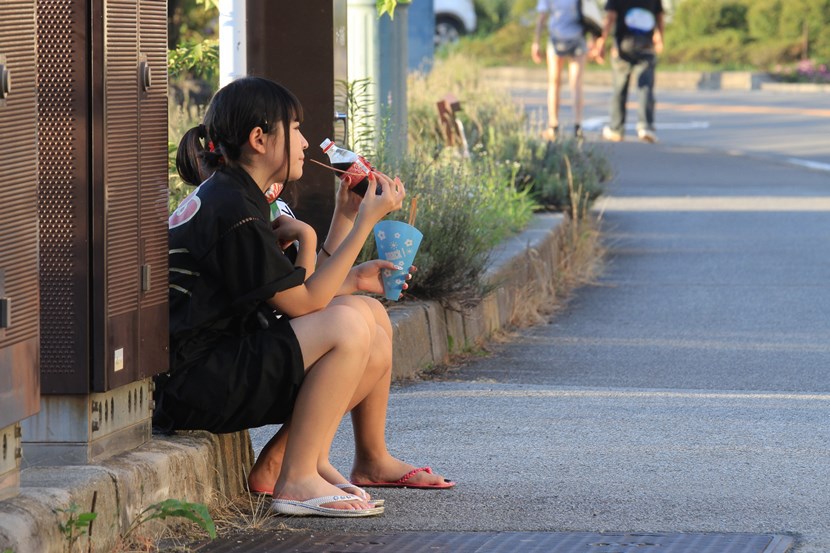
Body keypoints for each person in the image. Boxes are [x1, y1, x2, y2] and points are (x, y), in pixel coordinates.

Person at [154, 76, 453, 518]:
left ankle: (316, 462)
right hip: (195, 382)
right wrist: (362, 223)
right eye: (294, 128)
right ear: (259, 139)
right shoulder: (233, 208)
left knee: (368, 312)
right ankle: (295, 478)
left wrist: (345, 214)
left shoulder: (235, 195)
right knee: (347, 324)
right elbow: (307, 304)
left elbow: (301, 290)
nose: (304, 140)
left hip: (210, 367)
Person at [590, 0, 664, 143]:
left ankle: (616, 128)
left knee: (620, 88)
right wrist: (660, 37)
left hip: (624, 46)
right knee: (645, 87)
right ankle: (646, 127)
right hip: (646, 45)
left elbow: (610, 17)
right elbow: (659, 16)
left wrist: (601, 42)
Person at [532, 0, 601, 141]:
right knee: (576, 84)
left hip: (557, 37)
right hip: (577, 37)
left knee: (554, 83)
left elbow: (542, 17)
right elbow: (590, 13)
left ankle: (553, 126)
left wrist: (536, 42)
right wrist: (595, 41)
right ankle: (577, 127)